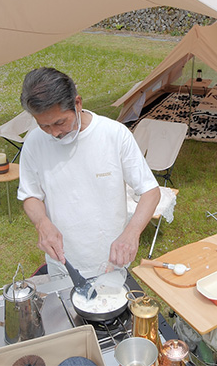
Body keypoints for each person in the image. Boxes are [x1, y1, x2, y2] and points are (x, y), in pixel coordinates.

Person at [17, 67, 160, 278]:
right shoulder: (34, 142)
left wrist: (132, 232)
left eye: (59, 122)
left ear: (77, 103)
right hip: (62, 263)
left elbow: (150, 191)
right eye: (44, 125)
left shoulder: (114, 135)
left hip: (110, 260)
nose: (54, 133)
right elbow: (30, 195)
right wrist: (42, 223)